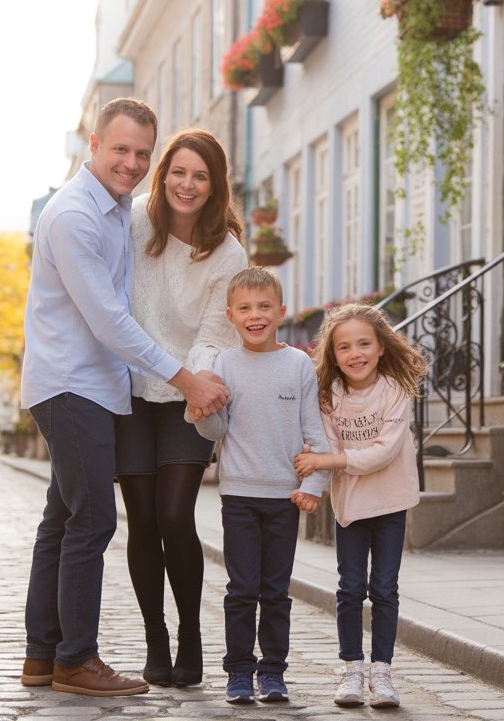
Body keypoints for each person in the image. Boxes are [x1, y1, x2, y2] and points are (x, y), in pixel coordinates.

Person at [18, 98, 229, 698]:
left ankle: (43, 653)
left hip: (90, 385)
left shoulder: (115, 211)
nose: (131, 163)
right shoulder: (76, 217)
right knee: (92, 521)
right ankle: (76, 659)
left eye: (142, 153)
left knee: (61, 519)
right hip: (72, 384)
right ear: (93, 143)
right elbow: (110, 320)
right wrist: (186, 378)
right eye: (121, 150)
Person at [115, 128, 247, 689]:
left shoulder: (228, 250)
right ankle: (155, 640)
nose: (186, 185)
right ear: (163, 173)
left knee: (175, 515)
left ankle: (190, 635)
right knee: (141, 520)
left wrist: (190, 382)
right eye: (178, 172)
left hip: (188, 394)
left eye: (200, 176)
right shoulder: (135, 225)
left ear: (215, 186)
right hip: (129, 393)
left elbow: (217, 333)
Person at [188, 267, 331, 705]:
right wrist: (202, 414)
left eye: (264, 306)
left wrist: (317, 481)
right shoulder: (224, 364)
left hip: (285, 497)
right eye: (245, 308)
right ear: (230, 315)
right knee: (241, 588)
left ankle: (273, 672)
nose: (255, 315)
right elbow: (217, 430)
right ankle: (238, 671)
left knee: (276, 589)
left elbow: (316, 431)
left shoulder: (298, 364)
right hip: (239, 497)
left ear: (281, 312)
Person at [293, 303, 428, 709]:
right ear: (333, 355)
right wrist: (313, 483)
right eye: (345, 347)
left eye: (364, 344)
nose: (356, 354)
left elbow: (383, 453)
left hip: (390, 503)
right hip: (350, 507)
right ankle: (352, 669)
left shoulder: (395, 391)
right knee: (350, 589)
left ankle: (382, 673)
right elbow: (326, 445)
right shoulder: (330, 397)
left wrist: (327, 462)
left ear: (381, 347)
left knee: (384, 588)